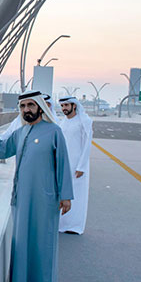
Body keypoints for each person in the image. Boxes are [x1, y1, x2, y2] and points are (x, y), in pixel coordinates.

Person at [0, 90, 73, 282]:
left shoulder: (54, 131)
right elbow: (1, 150)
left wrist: (65, 195)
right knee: (22, 241)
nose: (26, 110)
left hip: (45, 199)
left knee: (42, 242)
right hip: (22, 198)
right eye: (22, 107)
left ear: (40, 107)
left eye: (30, 105)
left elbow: (63, 164)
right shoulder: (20, 133)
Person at [58, 96, 93, 235]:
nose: (64, 108)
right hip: (64, 164)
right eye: (62, 106)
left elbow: (87, 143)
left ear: (74, 105)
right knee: (63, 193)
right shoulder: (63, 122)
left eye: (66, 105)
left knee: (77, 196)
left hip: (77, 166)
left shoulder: (84, 121)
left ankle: (74, 226)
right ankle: (62, 224)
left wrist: (82, 166)